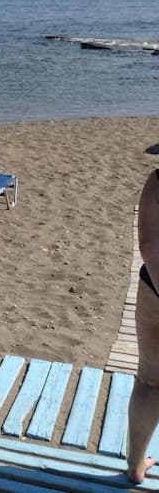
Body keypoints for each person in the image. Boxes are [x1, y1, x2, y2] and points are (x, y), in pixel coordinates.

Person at [128, 168, 159, 483]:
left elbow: (148, 244)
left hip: (155, 287)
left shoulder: (157, 180)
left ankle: (136, 466)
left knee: (150, 381)